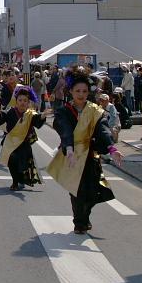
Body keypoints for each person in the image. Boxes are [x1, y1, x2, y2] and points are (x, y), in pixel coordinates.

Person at [47, 68, 123, 234]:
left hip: (89, 155)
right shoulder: (64, 111)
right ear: (70, 92)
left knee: (92, 190)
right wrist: (69, 149)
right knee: (76, 190)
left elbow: (102, 130)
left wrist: (112, 148)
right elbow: (65, 130)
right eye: (77, 91)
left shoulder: (94, 110)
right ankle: (79, 222)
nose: (81, 94)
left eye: (84, 91)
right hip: (72, 156)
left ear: (89, 92)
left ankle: (85, 217)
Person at [0, 88, 47, 190]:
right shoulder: (11, 111)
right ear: (16, 101)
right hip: (10, 142)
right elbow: (3, 116)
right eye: (20, 100)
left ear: (28, 102)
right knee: (12, 161)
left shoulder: (30, 114)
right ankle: (15, 182)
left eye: (25, 101)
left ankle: (21, 180)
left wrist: (43, 116)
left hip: (24, 143)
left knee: (22, 164)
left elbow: (37, 120)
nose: (22, 103)